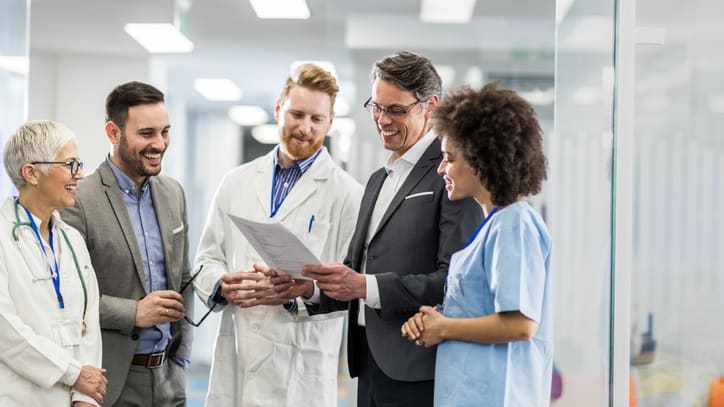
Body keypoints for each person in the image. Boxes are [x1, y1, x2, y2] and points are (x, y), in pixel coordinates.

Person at [300, 51, 483, 407]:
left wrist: (366, 285)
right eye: (376, 107)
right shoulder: (376, 181)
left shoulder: (451, 177)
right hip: (369, 364)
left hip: (419, 368)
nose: (382, 119)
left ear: (429, 106)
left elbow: (455, 281)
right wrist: (310, 288)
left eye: (395, 110)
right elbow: (357, 273)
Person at [192, 63, 363, 406]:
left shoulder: (348, 195)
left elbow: (351, 288)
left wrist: (306, 290)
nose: (305, 128)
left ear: (330, 122)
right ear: (278, 109)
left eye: (317, 119)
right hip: (239, 351)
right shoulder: (236, 182)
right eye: (296, 114)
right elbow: (206, 258)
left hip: (301, 363)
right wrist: (222, 284)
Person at [401, 83, 553, 406]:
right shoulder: (492, 225)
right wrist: (436, 317)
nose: (441, 169)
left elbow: (521, 324)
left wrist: (445, 328)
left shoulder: (515, 223)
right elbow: (479, 306)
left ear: (481, 160)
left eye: (449, 159)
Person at [61, 81, 193, 407]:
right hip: (109, 383)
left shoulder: (173, 193)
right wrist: (134, 312)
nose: (160, 144)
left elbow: (184, 280)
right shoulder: (79, 200)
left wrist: (181, 361)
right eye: (147, 134)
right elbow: (66, 297)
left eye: (165, 132)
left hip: (167, 380)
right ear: (113, 132)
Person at [0, 120, 107, 406]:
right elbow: (5, 330)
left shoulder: (72, 240)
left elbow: (90, 321)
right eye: (70, 164)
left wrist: (86, 396)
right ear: (32, 173)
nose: (80, 174)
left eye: (79, 164)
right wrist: (74, 373)